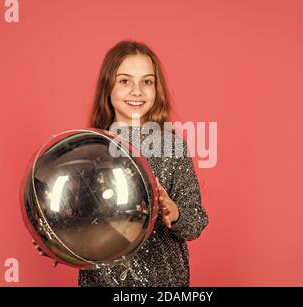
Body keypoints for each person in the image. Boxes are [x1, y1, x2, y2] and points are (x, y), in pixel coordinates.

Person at [34, 40, 209, 287]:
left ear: (156, 89)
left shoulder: (172, 148)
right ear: (108, 88)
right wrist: (54, 238)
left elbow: (195, 223)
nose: (136, 91)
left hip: (165, 283)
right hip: (101, 283)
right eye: (125, 81)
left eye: (147, 82)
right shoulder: (89, 148)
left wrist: (173, 211)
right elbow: (75, 218)